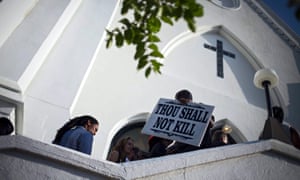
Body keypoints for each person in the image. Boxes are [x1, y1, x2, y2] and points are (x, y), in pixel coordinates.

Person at [166, 89, 214, 154]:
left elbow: (212, 125)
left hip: (200, 144)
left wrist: (205, 113)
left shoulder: (200, 109)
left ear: (190, 100)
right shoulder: (177, 114)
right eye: (177, 101)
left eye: (182, 101)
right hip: (183, 145)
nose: (180, 104)